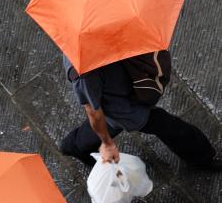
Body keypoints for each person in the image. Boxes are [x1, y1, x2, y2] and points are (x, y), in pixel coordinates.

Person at [59, 54, 222, 171]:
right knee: (169, 127)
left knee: (107, 124)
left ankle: (74, 145)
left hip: (124, 91)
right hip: (123, 108)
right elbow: (93, 112)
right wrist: (107, 144)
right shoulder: (83, 73)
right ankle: (203, 158)